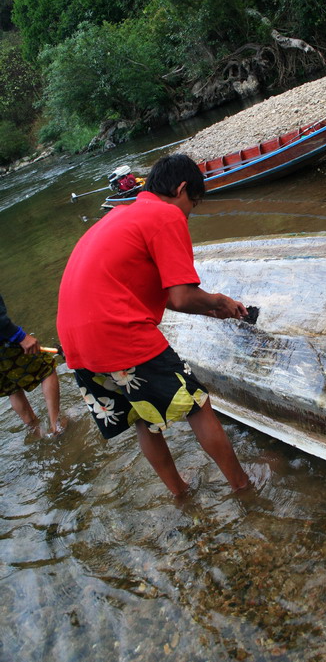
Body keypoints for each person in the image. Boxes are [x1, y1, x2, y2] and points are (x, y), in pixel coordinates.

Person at [57, 153, 250, 497]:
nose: (189, 212)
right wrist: (220, 301)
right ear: (182, 189)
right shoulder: (165, 215)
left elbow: (140, 289)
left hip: (75, 342)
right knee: (196, 404)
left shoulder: (119, 215)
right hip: (116, 333)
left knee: (143, 417)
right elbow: (180, 297)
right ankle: (243, 486)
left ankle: (180, 494)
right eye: (193, 203)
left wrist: (209, 311)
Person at [0, 294, 63, 436]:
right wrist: (19, 336)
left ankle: (36, 431)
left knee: (11, 388)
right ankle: (56, 426)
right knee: (46, 370)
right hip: (4, 341)